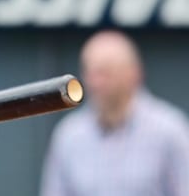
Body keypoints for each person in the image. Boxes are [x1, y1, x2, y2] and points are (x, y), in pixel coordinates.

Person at [39, 30, 189, 196]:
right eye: (90, 73)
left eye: (105, 73)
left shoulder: (170, 130)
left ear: (134, 74)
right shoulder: (69, 134)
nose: (95, 82)